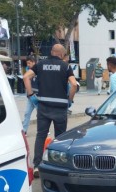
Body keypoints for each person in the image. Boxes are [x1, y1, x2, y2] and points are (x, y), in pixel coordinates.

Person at [23, 44, 78, 178]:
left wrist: (31, 95)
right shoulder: (66, 67)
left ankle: (37, 165)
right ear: (62, 54)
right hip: (60, 108)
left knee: (41, 136)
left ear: (52, 52)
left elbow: (26, 77)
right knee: (60, 139)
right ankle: (59, 165)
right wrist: (69, 99)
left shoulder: (41, 64)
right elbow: (74, 84)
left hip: (43, 107)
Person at [21, 56, 38, 134]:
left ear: (34, 62)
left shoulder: (40, 71)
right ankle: (24, 130)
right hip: (30, 97)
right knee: (27, 113)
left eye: (29, 63)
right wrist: (28, 95)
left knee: (40, 115)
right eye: (27, 63)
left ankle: (44, 130)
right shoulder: (28, 72)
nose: (28, 65)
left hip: (38, 97)